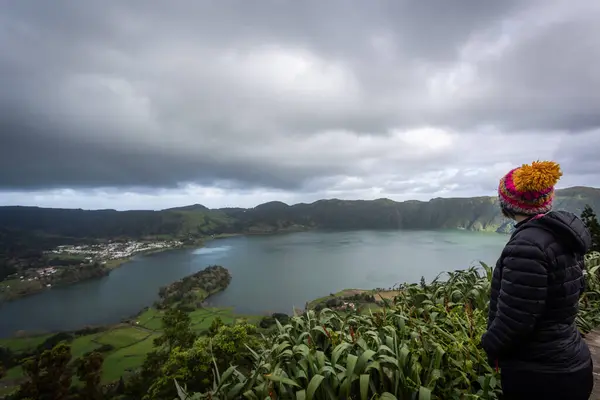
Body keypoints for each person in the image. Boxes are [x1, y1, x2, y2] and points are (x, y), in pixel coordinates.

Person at [481, 160, 594, 400]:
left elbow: (515, 321)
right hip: (570, 360)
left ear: (507, 204)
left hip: (540, 375)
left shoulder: (527, 246)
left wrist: (489, 344)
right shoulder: (560, 236)